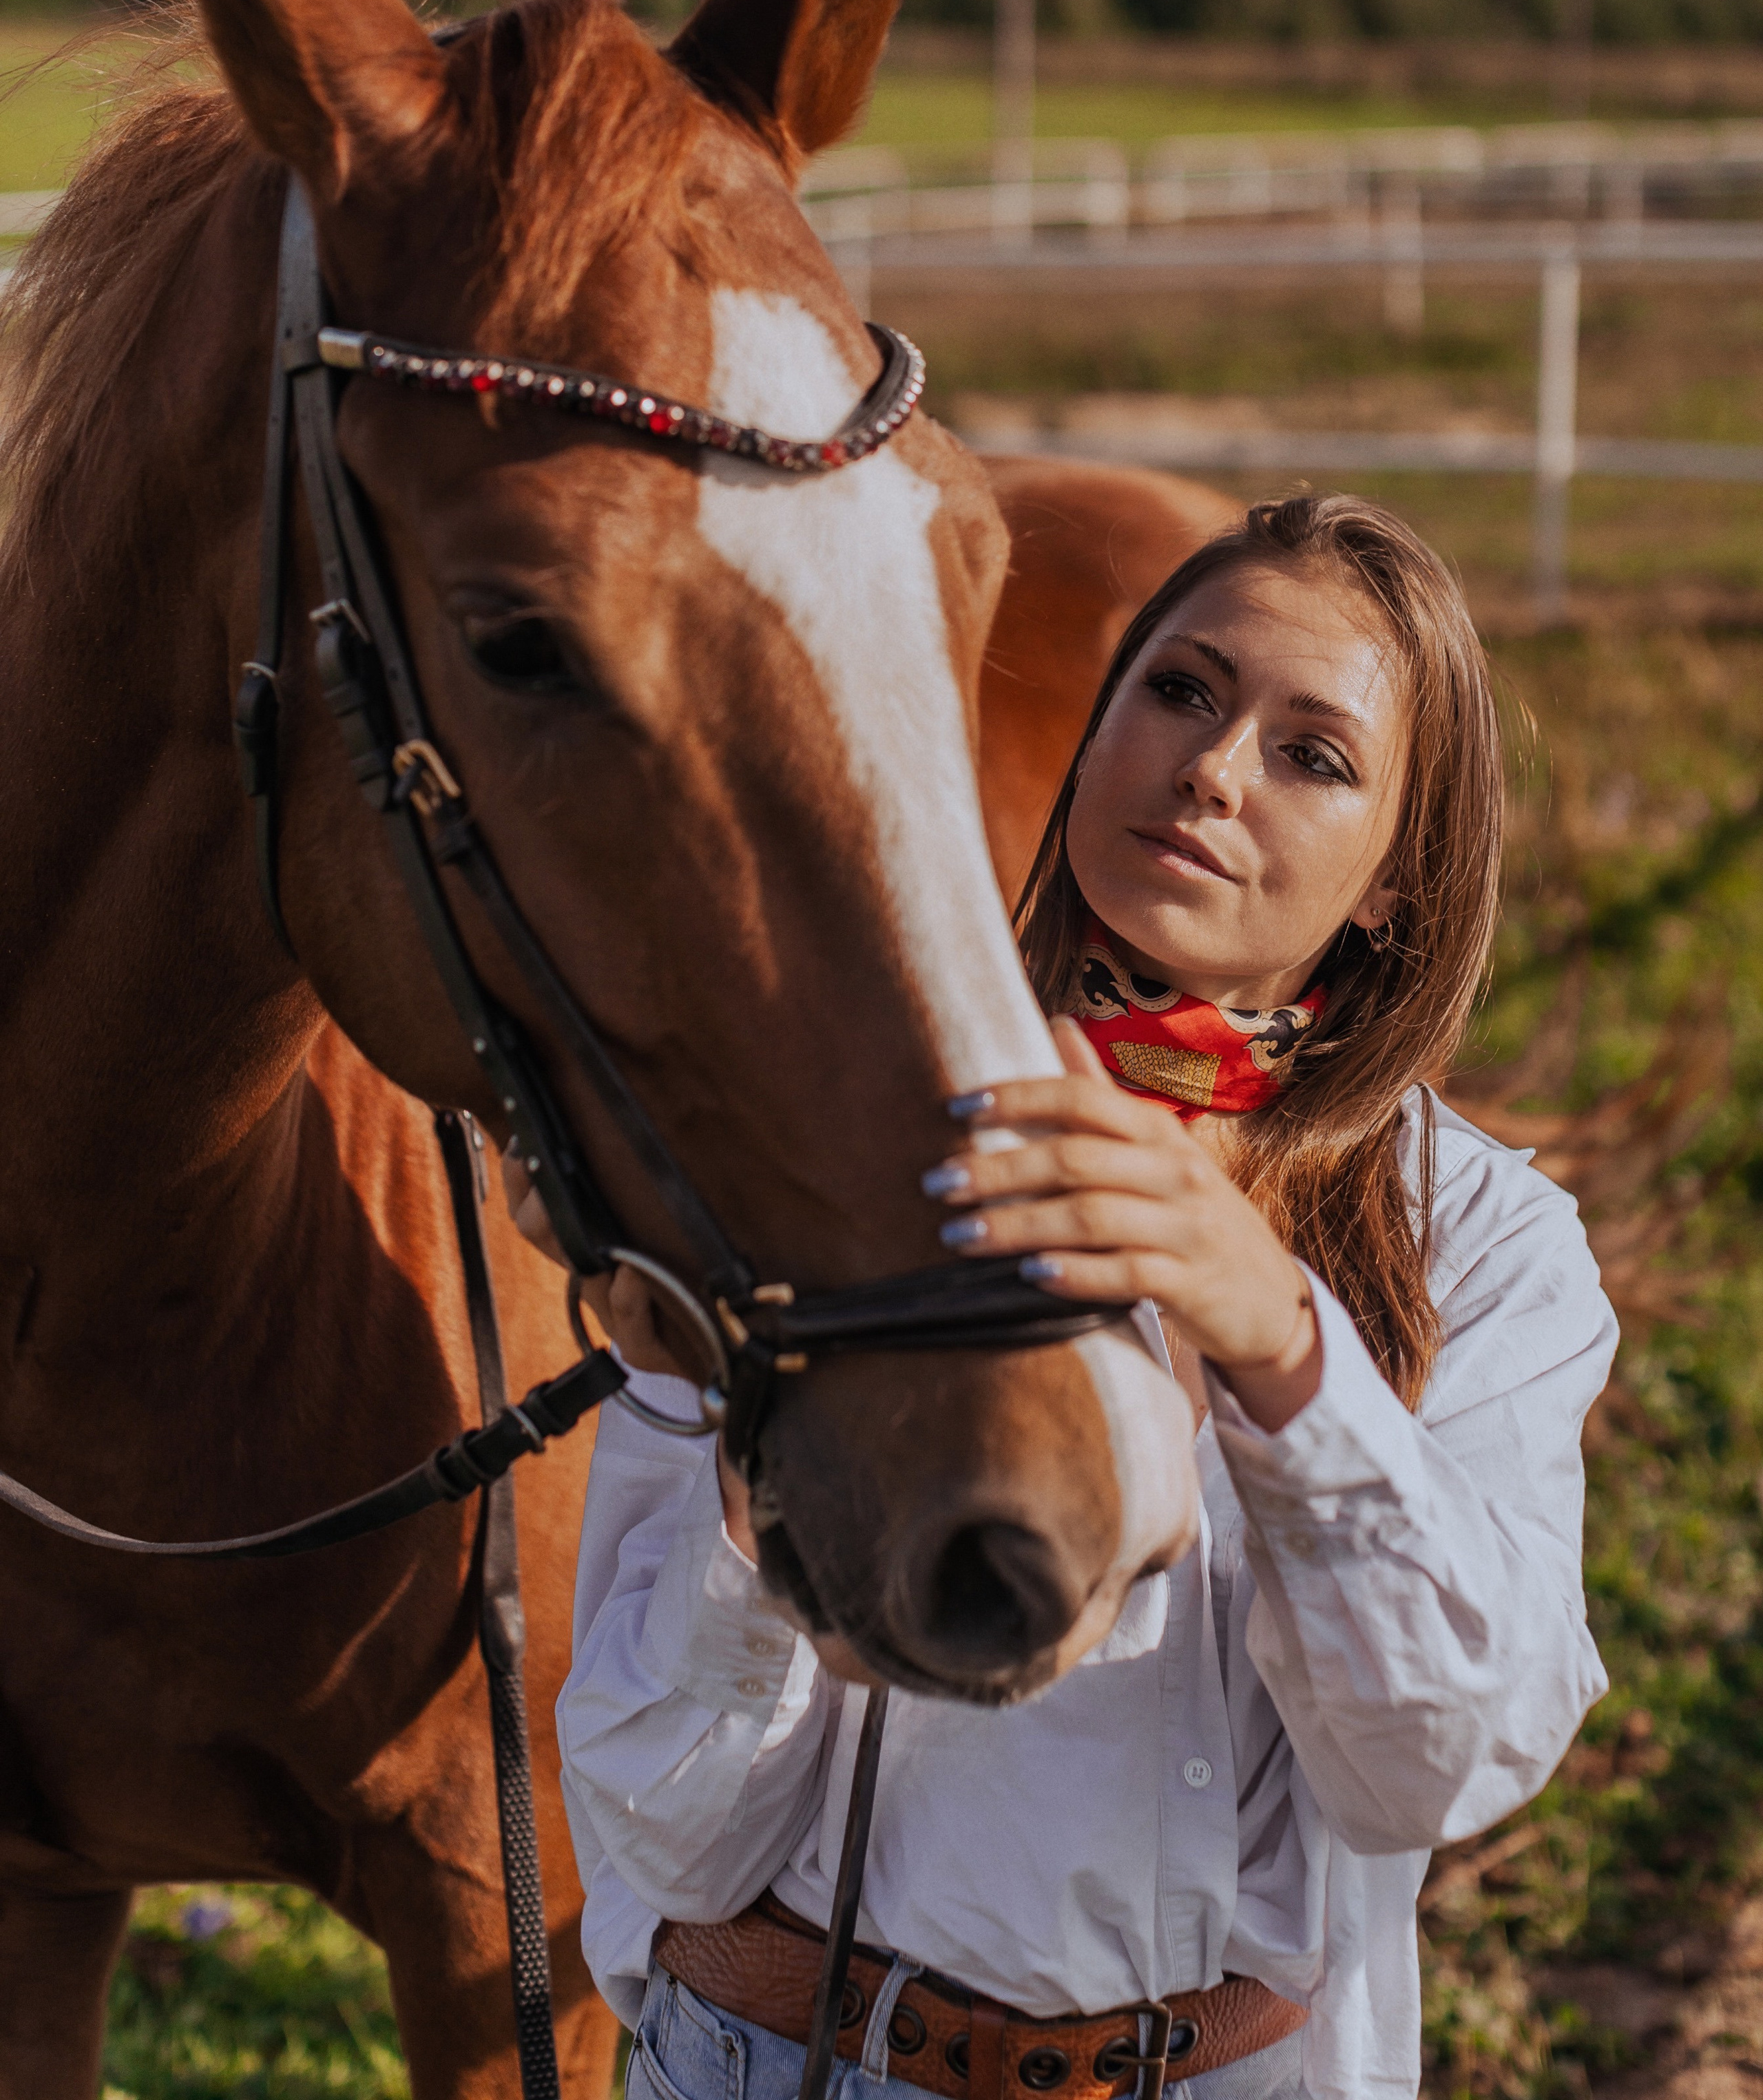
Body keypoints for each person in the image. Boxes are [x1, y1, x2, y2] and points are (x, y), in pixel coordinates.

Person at [525, 493, 1617, 2100]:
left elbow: (1436, 1770)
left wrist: (1280, 1346)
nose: (1214, 768)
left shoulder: (1481, 1247)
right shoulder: (816, 1128)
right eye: (1178, 688)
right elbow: (661, 1816)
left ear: (1395, 879)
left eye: (1312, 755)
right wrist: (775, 1464)